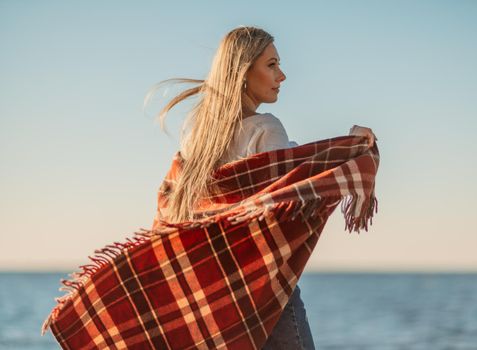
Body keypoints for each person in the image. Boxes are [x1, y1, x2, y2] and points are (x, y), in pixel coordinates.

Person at [146, 25, 377, 350]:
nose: (281, 75)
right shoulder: (266, 128)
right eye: (271, 65)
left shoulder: (196, 141)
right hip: (265, 290)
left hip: (214, 297)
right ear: (243, 71)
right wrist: (352, 145)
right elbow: (292, 185)